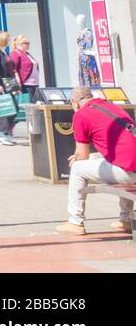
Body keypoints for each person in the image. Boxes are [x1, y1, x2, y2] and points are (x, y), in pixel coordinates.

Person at [57, 86, 136, 235]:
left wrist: (76, 158)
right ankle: (125, 219)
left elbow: (82, 155)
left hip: (130, 171)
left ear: (74, 102)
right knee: (114, 160)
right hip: (132, 163)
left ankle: (75, 221)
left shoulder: (81, 114)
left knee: (77, 168)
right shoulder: (112, 106)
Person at [0, 30, 19, 146]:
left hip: (8, 84)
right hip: (2, 85)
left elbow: (9, 70)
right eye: (6, 38)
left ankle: (5, 132)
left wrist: (15, 86)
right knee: (6, 108)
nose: (8, 40)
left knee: (14, 108)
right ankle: (2, 133)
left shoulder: (3, 52)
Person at [10, 35, 41, 107]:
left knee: (34, 104)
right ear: (20, 44)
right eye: (26, 43)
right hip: (26, 85)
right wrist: (17, 83)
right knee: (28, 105)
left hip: (34, 84)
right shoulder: (15, 53)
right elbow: (13, 69)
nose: (28, 44)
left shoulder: (27, 54)